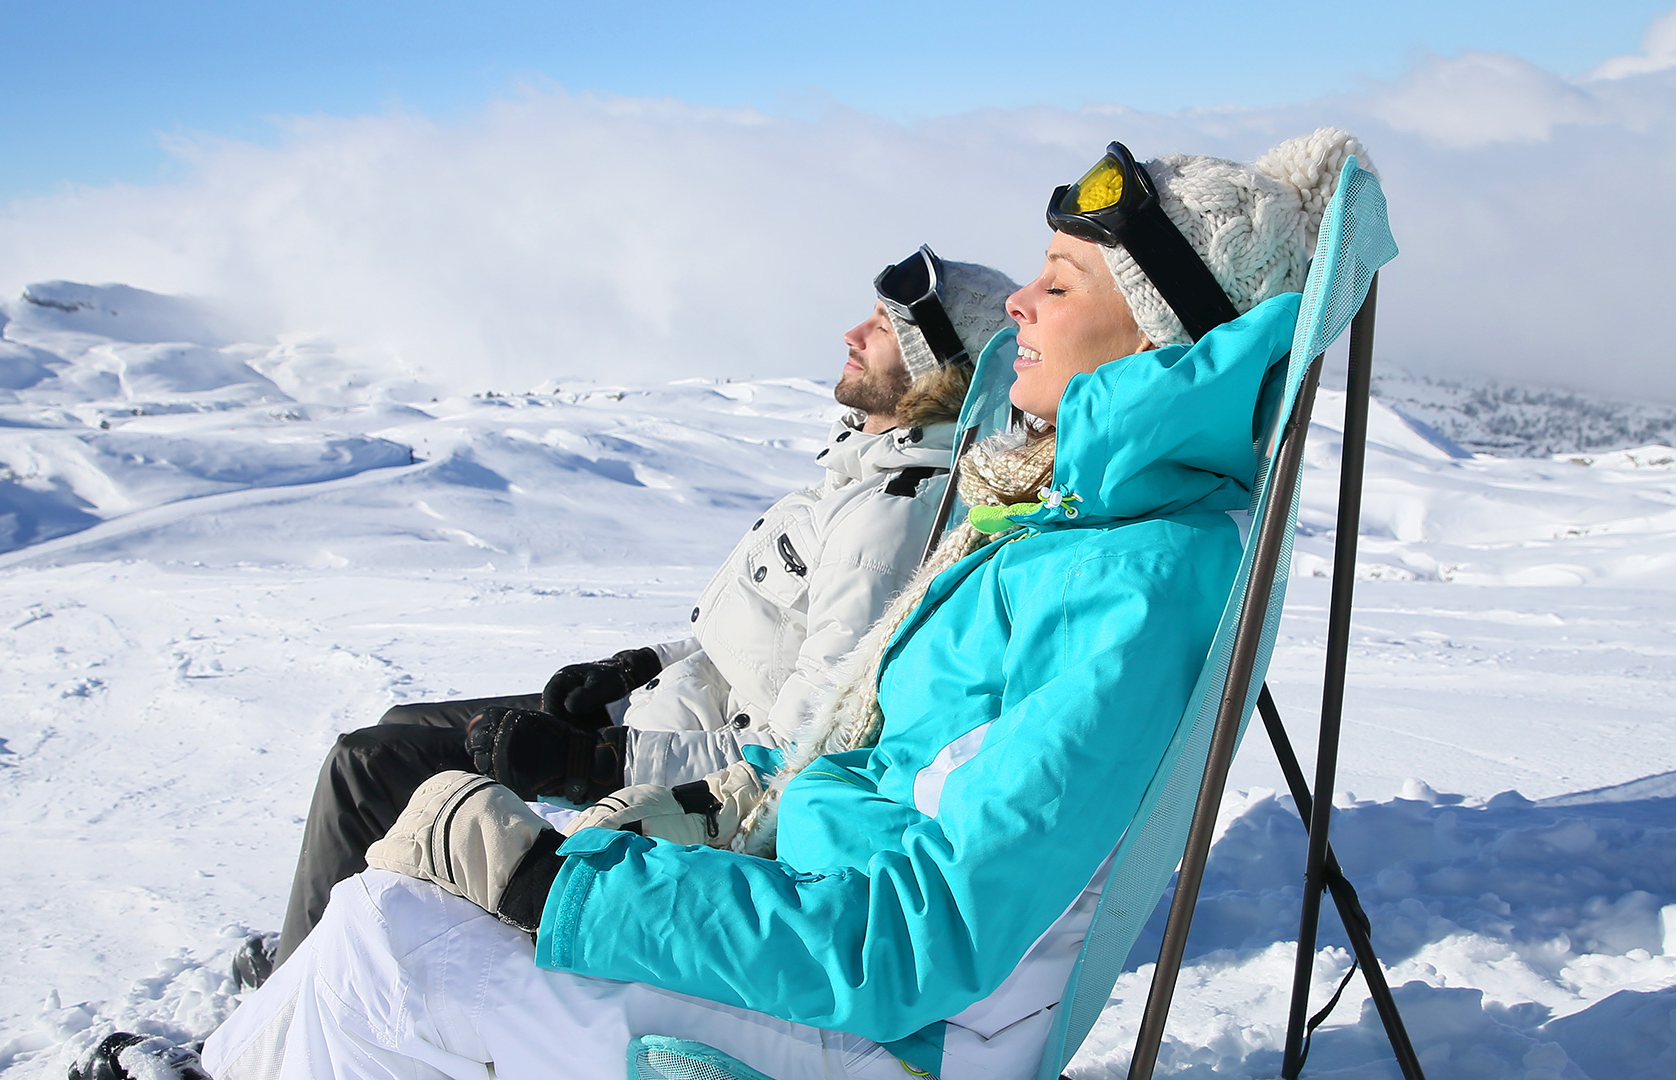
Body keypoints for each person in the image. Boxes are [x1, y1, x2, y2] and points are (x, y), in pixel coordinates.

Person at [191, 128, 1369, 1080]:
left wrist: (564, 883)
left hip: (884, 1029)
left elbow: (929, 930)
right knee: (388, 905)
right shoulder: (1054, 529)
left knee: (393, 956)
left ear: (1160, 338)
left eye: (1059, 282)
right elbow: (860, 770)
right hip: (818, 941)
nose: (1018, 302)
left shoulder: (1140, 578)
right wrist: (666, 816)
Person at [234, 250, 1021, 986]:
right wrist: (636, 667)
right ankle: (331, 933)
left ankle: (297, 997)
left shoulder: (887, 521)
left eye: (883, 328)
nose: (851, 335)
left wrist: (590, 761)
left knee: (365, 766)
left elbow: (797, 748)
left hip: (673, 784)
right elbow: (756, 635)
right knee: (401, 724)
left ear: (935, 369)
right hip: (653, 718)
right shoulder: (861, 466)